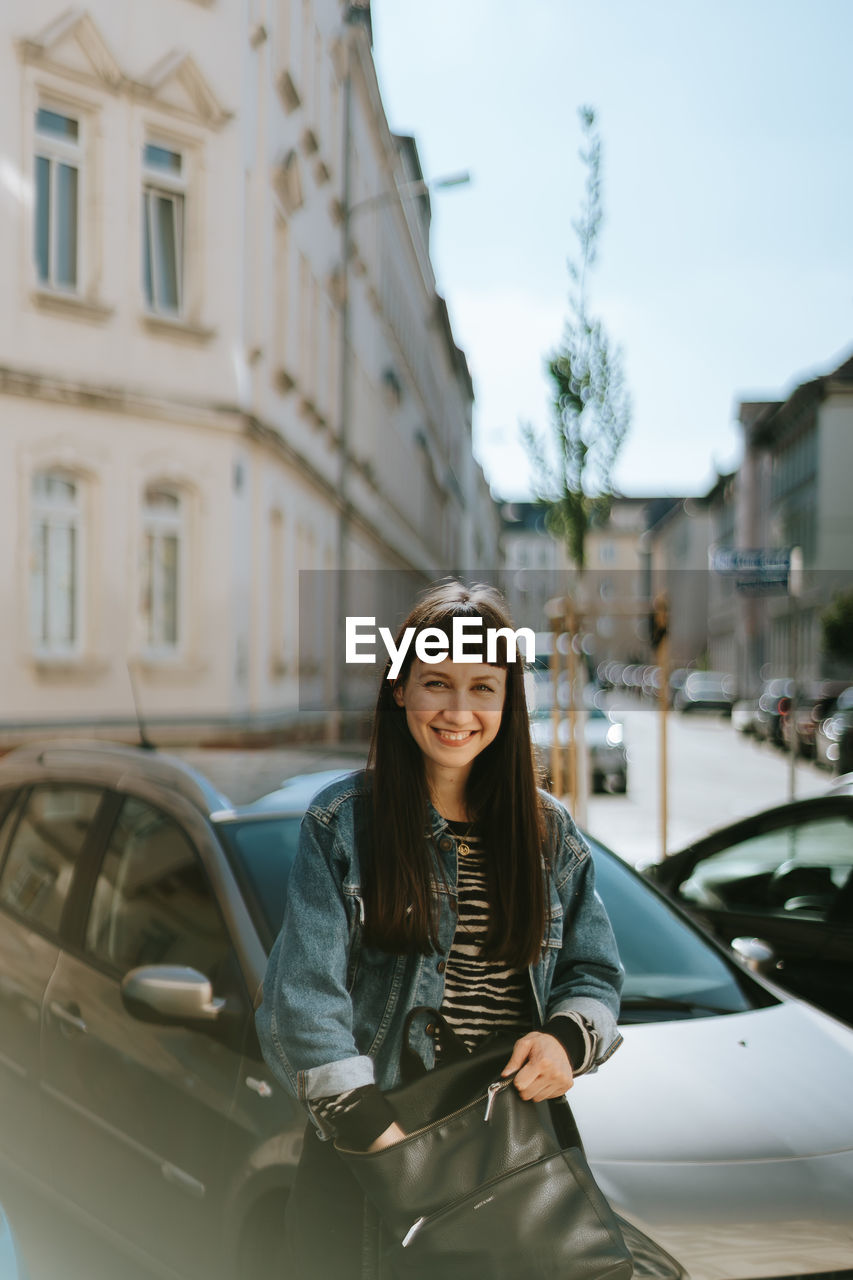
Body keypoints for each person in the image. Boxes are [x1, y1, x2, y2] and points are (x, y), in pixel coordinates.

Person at [255, 580, 623, 1278]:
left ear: (508, 700)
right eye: (436, 684)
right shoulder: (341, 825)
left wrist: (567, 1040)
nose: (459, 711)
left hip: (506, 1156)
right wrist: (381, 1140)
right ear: (400, 692)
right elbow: (302, 1002)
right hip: (369, 1165)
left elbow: (595, 973)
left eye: (483, 687)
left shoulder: (550, 834)